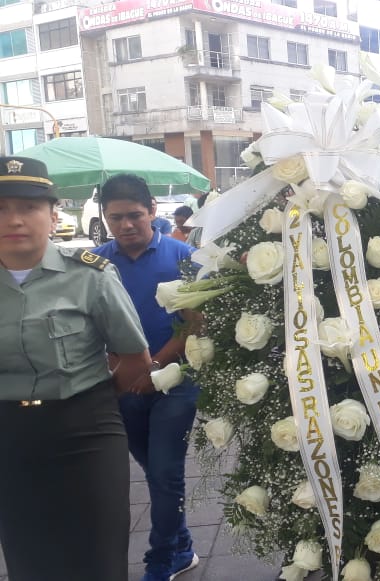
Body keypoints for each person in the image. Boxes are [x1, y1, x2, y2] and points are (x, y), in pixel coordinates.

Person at [0, 157, 152, 581]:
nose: (14, 219)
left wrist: (90, 399)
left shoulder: (91, 276)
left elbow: (134, 360)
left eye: (29, 207)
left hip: (86, 429)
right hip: (8, 432)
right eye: (1, 208)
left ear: (53, 215)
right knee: (27, 553)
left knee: (98, 552)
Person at [93, 174, 201, 581]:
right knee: (155, 473)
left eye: (134, 215)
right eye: (115, 218)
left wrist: (153, 366)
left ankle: (160, 560)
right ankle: (183, 547)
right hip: (123, 387)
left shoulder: (183, 256)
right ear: (105, 218)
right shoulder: (94, 263)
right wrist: (122, 369)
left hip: (176, 381)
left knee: (165, 472)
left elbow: (197, 323)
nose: (125, 226)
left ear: (152, 210)